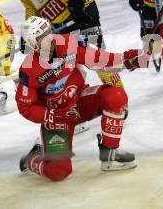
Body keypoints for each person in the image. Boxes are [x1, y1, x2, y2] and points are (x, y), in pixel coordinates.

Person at [16, 16, 150, 180]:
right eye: (41, 38)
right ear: (32, 43)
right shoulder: (28, 70)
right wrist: (50, 116)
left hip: (80, 102)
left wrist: (128, 59)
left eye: (48, 33)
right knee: (59, 172)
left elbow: (102, 61)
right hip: (58, 118)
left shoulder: (70, 44)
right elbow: (25, 107)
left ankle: (109, 153)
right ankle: (32, 159)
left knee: (116, 96)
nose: (48, 40)